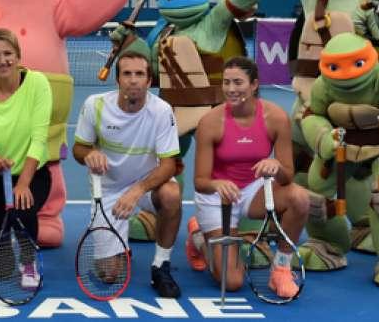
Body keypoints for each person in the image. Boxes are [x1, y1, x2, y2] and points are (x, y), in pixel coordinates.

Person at [188, 57, 309, 298]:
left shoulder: (276, 118)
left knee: (299, 198)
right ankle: (199, 238)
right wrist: (217, 183)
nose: (231, 89)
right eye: (226, 83)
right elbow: (200, 182)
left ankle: (282, 269)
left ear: (254, 85)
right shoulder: (210, 122)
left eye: (238, 82)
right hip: (217, 196)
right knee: (232, 282)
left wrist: (276, 165)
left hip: (254, 191)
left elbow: (287, 177)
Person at [73, 52, 183, 298]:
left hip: (145, 185)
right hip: (109, 189)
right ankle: (119, 250)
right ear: (118, 80)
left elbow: (168, 165)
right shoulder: (95, 105)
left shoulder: (161, 110)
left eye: (139, 74)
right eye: (127, 74)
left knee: (172, 194)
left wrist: (137, 191)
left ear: (149, 81)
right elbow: (78, 149)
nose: (133, 80)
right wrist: (89, 154)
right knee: (109, 276)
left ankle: (161, 266)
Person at [0, 29, 53, 289]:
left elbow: (39, 138)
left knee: (21, 207)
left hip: (32, 172)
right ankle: (6, 256)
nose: (2, 60)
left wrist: (23, 182)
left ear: (18, 56)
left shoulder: (38, 83)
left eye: (8, 53)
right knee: (1, 270)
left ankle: (29, 261)